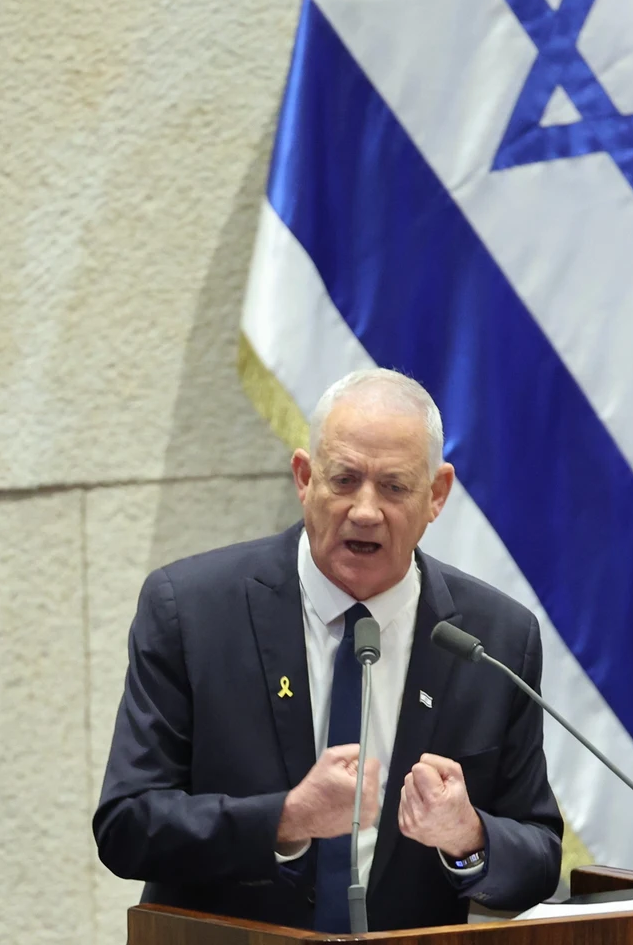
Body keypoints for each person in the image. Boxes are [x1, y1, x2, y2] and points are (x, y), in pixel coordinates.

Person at [93, 368, 563, 932]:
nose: (365, 511)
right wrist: (286, 819)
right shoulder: (191, 612)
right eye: (343, 480)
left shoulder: (496, 638)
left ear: (436, 494)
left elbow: (538, 856)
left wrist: (469, 838)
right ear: (304, 476)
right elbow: (126, 826)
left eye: (393, 487)